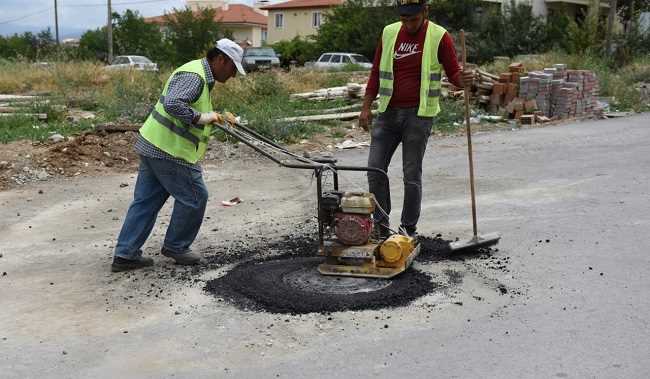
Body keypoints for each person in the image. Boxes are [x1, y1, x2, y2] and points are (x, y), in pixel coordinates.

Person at [111, 38, 246, 272]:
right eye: (233, 68)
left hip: (153, 144)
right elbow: (174, 104)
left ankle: (126, 255)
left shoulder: (197, 73)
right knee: (195, 197)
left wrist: (217, 117)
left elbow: (185, 106)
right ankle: (176, 246)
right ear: (221, 59)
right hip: (170, 151)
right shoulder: (196, 76)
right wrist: (201, 118)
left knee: (146, 202)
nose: (233, 75)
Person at [358, 0, 475, 239]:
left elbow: (453, 73)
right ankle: (381, 227)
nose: (409, 24)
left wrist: (463, 80)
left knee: (411, 175)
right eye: (404, 19)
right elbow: (376, 72)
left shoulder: (439, 36)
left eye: (414, 19)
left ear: (425, 12)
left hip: (419, 116)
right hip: (387, 114)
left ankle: (407, 229)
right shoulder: (389, 33)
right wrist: (366, 107)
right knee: (374, 169)